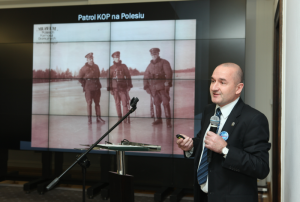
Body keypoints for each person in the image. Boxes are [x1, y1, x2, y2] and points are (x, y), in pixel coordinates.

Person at [176, 63, 271, 202]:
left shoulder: (254, 119)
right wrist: (190, 146)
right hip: (203, 195)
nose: (214, 87)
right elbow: (205, 145)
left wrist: (225, 150)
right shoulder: (209, 111)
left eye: (222, 82)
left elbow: (261, 167)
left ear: (238, 88)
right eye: (213, 81)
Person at [143, 48, 173, 128]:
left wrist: (167, 84)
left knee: (166, 103)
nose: (154, 55)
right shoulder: (149, 66)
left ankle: (168, 122)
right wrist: (146, 87)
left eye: (155, 54)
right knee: (156, 104)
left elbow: (169, 74)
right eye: (152, 54)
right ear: (151, 55)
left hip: (163, 88)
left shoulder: (164, 62)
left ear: (158, 53)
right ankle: (159, 120)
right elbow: (145, 76)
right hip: (153, 89)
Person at [78, 52, 105, 124]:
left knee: (97, 103)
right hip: (88, 89)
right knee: (89, 103)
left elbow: (98, 75)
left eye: (92, 58)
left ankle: (98, 118)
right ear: (87, 59)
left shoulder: (96, 66)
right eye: (89, 59)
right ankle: (89, 120)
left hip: (96, 88)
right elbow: (80, 78)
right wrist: (85, 85)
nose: (91, 60)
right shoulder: (83, 68)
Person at [107, 51, 132, 123]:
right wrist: (110, 89)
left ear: (119, 57)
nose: (117, 59)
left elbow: (128, 76)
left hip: (123, 88)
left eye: (117, 57)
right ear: (113, 59)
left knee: (124, 103)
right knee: (117, 103)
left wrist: (129, 85)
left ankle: (125, 118)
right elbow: (108, 79)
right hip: (115, 89)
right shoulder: (111, 68)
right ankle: (119, 117)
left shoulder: (124, 66)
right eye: (115, 57)